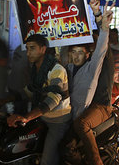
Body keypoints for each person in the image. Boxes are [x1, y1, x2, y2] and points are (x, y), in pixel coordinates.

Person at [64, 0, 115, 165]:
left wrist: (98, 14)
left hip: (100, 105)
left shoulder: (101, 56)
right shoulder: (71, 67)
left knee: (81, 124)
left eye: (92, 41)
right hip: (84, 106)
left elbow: (102, 42)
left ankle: (95, 160)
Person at [7, 34, 71, 165]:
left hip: (57, 121)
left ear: (43, 49)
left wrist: (27, 117)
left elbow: (53, 99)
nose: (28, 53)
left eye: (32, 48)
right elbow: (29, 91)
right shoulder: (36, 69)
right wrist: (5, 100)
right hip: (42, 118)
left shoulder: (56, 70)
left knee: (47, 161)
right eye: (27, 49)